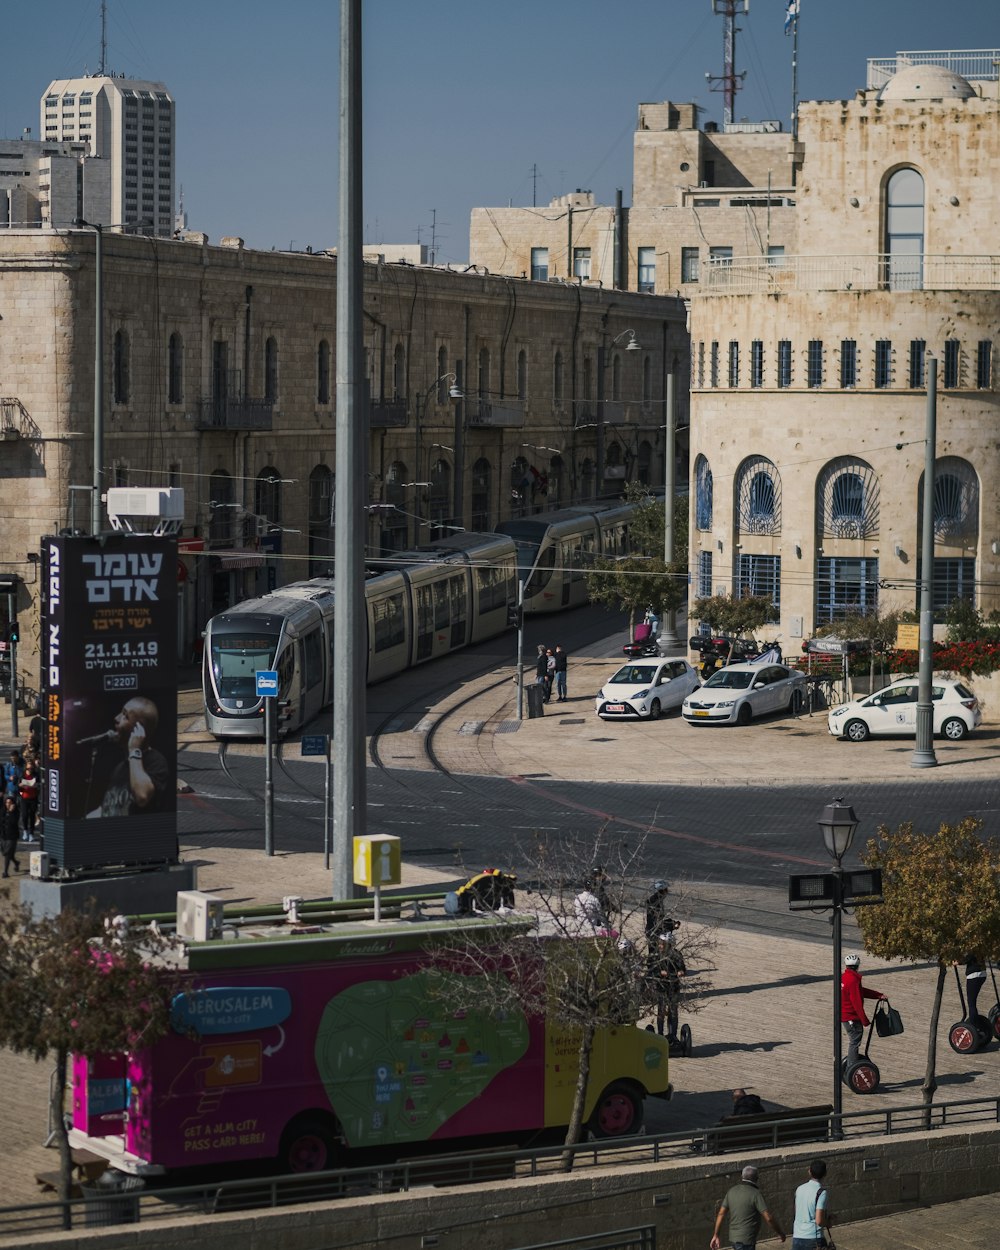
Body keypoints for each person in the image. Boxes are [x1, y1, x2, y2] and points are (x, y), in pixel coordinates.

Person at [86, 697, 170, 818]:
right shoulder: (120, 768)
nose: (117, 718)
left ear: (138, 729)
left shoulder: (156, 761)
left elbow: (142, 796)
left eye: (125, 716)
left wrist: (134, 750)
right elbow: (107, 809)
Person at [711, 1164, 786, 1250]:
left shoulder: (732, 1191)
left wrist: (716, 1235)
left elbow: (721, 1214)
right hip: (747, 1240)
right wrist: (780, 1233)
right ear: (756, 1179)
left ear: (742, 1176)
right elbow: (768, 1217)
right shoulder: (755, 1194)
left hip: (734, 1239)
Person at [840, 952, 885, 1067]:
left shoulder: (845, 977)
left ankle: (851, 1064)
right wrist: (864, 1020)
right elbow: (857, 1003)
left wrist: (878, 995)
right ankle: (852, 1066)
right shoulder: (853, 980)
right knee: (855, 1041)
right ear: (858, 965)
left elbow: (860, 991)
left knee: (854, 1040)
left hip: (845, 1015)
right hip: (851, 1017)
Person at [648, 929, 686, 1041]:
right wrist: (660, 973)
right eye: (659, 943)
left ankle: (672, 1035)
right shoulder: (655, 955)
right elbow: (651, 969)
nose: (660, 945)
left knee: (673, 1010)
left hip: (673, 985)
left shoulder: (676, 954)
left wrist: (681, 972)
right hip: (661, 986)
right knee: (661, 1009)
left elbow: (682, 968)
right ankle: (660, 1034)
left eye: (662, 944)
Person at [792, 1159, 832, 1250]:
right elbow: (819, 1221)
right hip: (813, 1239)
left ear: (809, 1171)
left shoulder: (799, 1189)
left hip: (797, 1237)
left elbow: (797, 1211)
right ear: (825, 1173)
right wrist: (828, 1222)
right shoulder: (821, 1192)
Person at [645, 879, 677, 943]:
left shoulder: (658, 900)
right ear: (661, 891)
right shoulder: (654, 901)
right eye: (666, 890)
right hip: (654, 930)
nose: (667, 892)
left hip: (655, 928)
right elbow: (656, 918)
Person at [18, 759, 39, 839]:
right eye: (28, 768)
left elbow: (39, 784)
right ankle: (25, 830)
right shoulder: (22, 775)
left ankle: (31, 833)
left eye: (31, 768)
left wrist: (36, 785)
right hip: (24, 798)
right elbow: (18, 785)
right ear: (25, 768)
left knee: (32, 815)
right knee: (24, 815)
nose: (29, 770)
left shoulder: (36, 775)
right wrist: (20, 786)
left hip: (33, 798)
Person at [1, 794, 21, 877]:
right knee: (5, 853)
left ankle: (5, 872)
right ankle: (16, 862)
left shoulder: (16, 812)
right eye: (6, 802)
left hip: (12, 836)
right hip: (3, 835)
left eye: (9, 802)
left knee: (7, 854)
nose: (8, 804)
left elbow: (13, 822)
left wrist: (10, 812)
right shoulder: (2, 811)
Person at [964, 954, 987, 1023]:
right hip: (982, 973)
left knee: (971, 1002)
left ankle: (973, 1024)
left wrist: (958, 962)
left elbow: (969, 957)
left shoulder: (972, 946)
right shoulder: (980, 945)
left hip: (974, 975)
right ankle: (975, 1021)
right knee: (972, 1001)